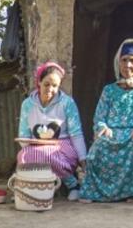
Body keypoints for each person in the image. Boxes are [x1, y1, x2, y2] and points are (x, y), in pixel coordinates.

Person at [79, 39, 133, 203]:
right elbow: (99, 117)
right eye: (124, 60)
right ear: (118, 61)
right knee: (98, 147)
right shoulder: (109, 90)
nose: (128, 65)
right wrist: (102, 127)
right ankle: (96, 192)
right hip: (111, 134)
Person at [16, 61, 89, 198]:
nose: (50, 89)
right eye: (46, 84)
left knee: (44, 154)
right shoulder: (27, 105)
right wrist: (32, 146)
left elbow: (76, 133)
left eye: (55, 86)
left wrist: (83, 158)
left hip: (63, 146)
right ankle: (32, 188)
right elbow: (23, 134)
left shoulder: (67, 103)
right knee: (23, 155)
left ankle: (72, 184)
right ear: (39, 82)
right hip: (37, 146)